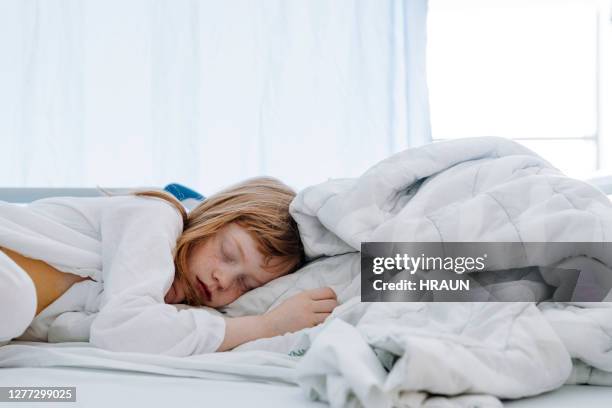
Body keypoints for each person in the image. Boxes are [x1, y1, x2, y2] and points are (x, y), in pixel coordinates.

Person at [0, 177, 338, 354]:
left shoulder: (169, 312)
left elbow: (68, 330)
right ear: (212, 218)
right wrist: (265, 327)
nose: (223, 279)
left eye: (246, 285)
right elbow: (122, 330)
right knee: (16, 299)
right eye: (229, 253)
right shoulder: (156, 215)